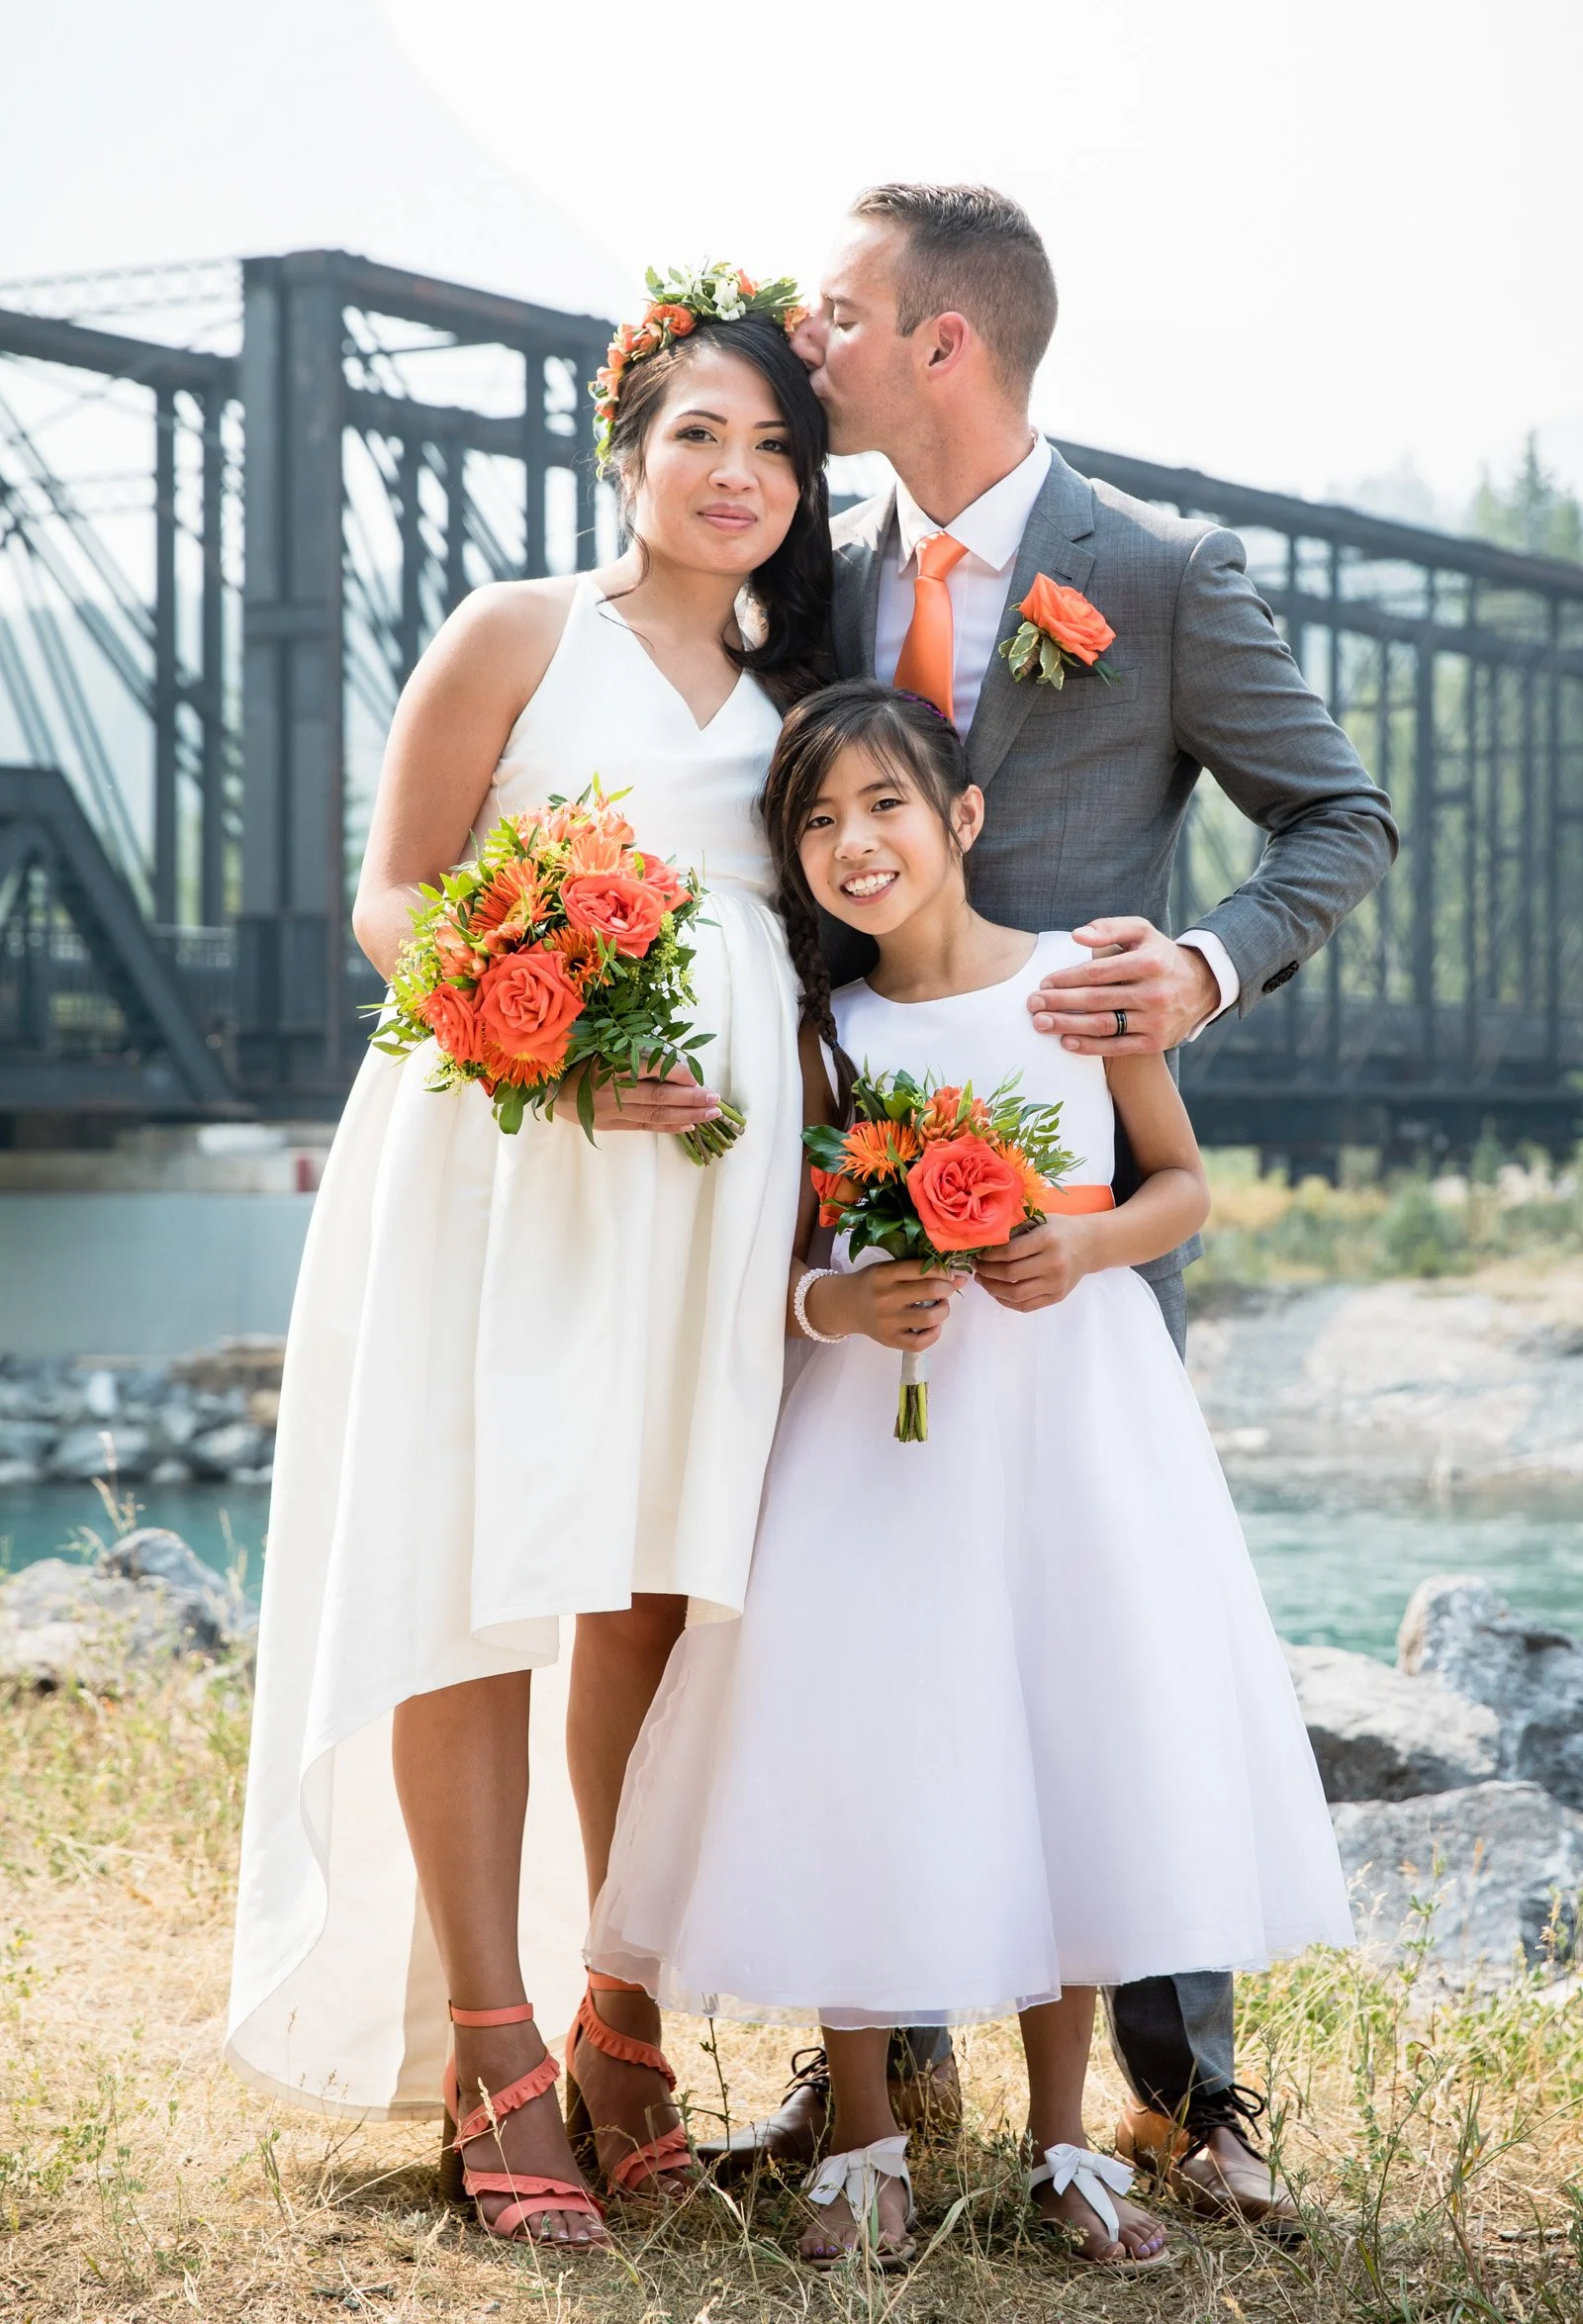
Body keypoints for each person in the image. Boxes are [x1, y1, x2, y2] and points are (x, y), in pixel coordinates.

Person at [699, 184, 1397, 2231]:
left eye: (830, 314)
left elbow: (1335, 816)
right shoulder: (813, 574)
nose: (792, 341)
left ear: (942, 342)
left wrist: (1196, 966)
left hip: (1069, 1203)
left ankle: (1181, 2101)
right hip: (867, 1183)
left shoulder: (1154, 575)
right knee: (886, 1645)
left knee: (1107, 1640)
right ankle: (878, 2100)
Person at [589, 682, 1355, 2270]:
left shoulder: (1080, 982)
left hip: (1072, 1417)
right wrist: (845, 1301)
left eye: (885, 806)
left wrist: (1081, 1242)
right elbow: (779, 1264)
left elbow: (1184, 1189)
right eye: (815, 821)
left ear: (965, 819)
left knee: (1063, 1731)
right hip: (876, 1427)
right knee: (866, 1735)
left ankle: (1066, 2141)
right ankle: (864, 2131)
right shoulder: (829, 1035)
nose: (854, 844)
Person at [226, 266, 831, 2249]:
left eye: (770, 446)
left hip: (702, 1187)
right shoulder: (516, 633)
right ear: (626, 452)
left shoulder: (793, 683)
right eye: (697, 436)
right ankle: (490, 2044)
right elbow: (396, 895)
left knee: (652, 1586)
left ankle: (621, 2016)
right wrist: (548, 1045)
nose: (735, 472)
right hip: (507, 1150)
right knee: (471, 1567)